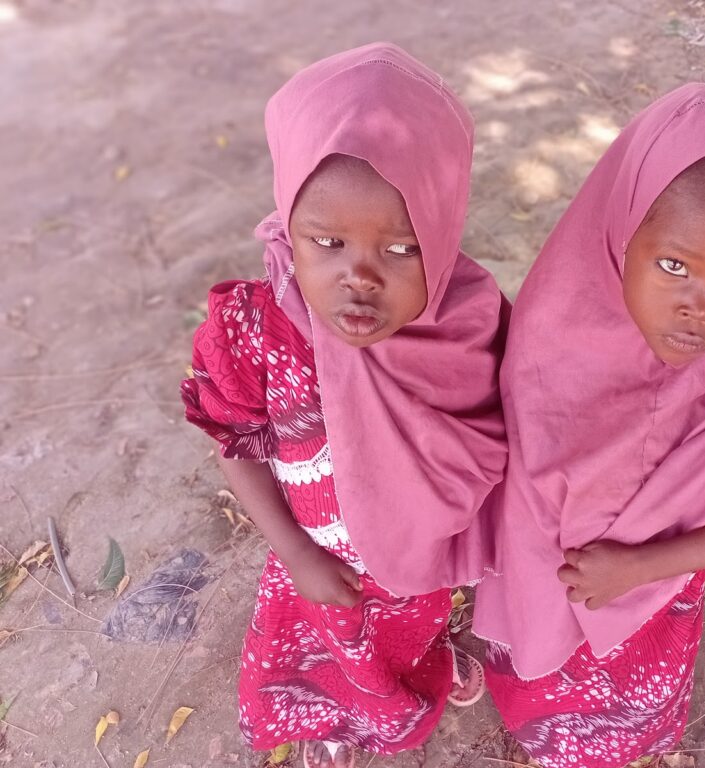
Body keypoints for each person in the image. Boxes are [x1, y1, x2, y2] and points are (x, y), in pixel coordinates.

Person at [473, 83, 705, 768]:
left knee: (622, 713)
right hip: (539, 575)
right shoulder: (549, 329)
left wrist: (639, 566)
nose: (700, 310)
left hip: (649, 594)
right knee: (537, 689)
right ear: (620, 227)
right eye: (673, 266)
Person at [180, 43, 507, 768]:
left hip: (419, 562)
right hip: (319, 561)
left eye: (401, 249)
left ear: (445, 233)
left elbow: (492, 447)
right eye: (326, 242)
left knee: (411, 630)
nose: (358, 278)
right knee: (337, 649)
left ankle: (423, 668)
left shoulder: (469, 328)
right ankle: (339, 723)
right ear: (288, 224)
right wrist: (295, 552)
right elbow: (233, 443)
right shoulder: (260, 331)